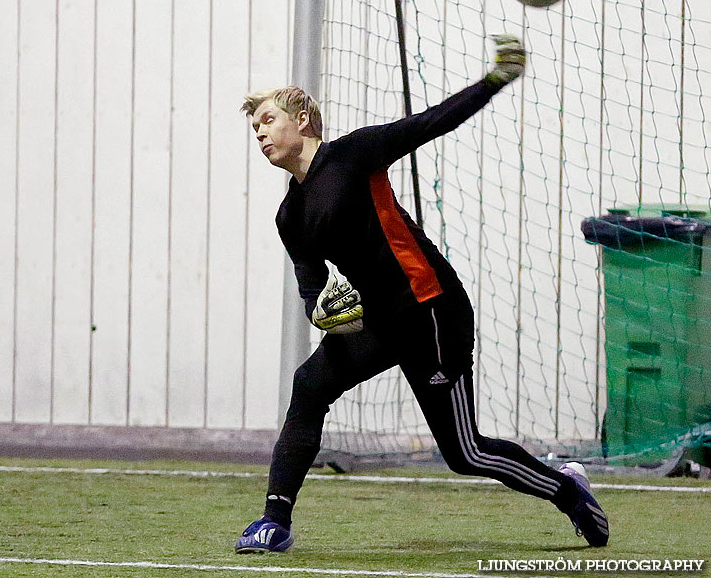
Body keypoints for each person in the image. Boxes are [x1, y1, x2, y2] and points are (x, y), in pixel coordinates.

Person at [235, 35, 609, 554]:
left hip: (428, 309)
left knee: (466, 454)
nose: (260, 133)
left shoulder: (354, 154)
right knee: (310, 385)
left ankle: (569, 492)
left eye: (268, 120)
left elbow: (431, 122)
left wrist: (493, 80)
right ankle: (274, 521)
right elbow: (311, 285)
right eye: (254, 128)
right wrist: (323, 313)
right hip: (376, 324)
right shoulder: (290, 215)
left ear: (302, 119)